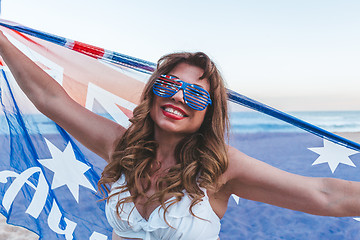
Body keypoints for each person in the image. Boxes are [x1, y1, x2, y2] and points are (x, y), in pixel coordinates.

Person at [1, 31, 360, 240]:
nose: (178, 97)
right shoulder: (121, 148)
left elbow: (325, 195)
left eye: (195, 94)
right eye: (170, 84)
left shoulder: (220, 167)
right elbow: (51, 99)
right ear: (154, 90)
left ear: (208, 113)